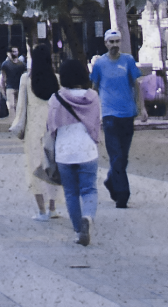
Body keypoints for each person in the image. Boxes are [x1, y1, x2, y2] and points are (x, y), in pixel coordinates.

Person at [46, 56, 104, 246]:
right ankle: (88, 217)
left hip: (64, 151)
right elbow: (96, 122)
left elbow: (51, 127)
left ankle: (79, 230)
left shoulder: (55, 99)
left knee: (71, 193)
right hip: (87, 149)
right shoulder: (93, 97)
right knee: (89, 190)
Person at [88, 29, 140, 209]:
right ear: (106, 43)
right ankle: (122, 195)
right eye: (112, 42)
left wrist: (142, 107)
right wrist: (93, 112)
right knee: (116, 155)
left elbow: (136, 84)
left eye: (118, 41)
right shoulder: (100, 64)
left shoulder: (128, 61)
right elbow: (94, 87)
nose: (115, 45)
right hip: (109, 114)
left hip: (128, 113)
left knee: (123, 157)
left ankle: (111, 181)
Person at [9, 42, 60, 221]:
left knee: (35, 168)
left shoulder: (26, 79)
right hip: (52, 129)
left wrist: (17, 124)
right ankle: (53, 208)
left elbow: (21, 107)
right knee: (52, 167)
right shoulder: (57, 80)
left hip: (33, 129)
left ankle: (41, 210)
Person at [0, 48, 26, 120]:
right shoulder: (6, 64)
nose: (14, 53)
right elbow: (3, 77)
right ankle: (13, 121)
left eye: (15, 51)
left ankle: (17, 120)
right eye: (12, 52)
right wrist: (3, 88)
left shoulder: (21, 64)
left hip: (19, 86)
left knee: (18, 105)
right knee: (12, 105)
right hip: (10, 86)